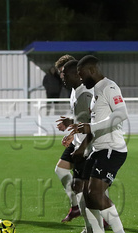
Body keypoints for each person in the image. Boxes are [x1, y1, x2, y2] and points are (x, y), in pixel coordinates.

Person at [71, 55, 131, 233]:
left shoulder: (109, 87)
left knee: (96, 193)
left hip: (112, 150)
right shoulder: (96, 91)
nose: (80, 79)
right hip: (98, 150)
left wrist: (91, 126)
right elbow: (95, 124)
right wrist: (77, 129)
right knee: (87, 196)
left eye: (81, 75)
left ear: (91, 71)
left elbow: (121, 114)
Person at [57, 60, 97, 233]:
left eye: (64, 74)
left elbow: (93, 125)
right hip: (82, 146)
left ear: (75, 74)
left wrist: (81, 148)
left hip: (89, 149)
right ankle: (90, 229)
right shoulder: (76, 92)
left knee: (88, 191)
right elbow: (83, 120)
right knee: (80, 188)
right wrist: (71, 127)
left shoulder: (86, 94)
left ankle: (95, 231)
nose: (61, 78)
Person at [52, 55, 82, 223]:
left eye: (63, 73)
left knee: (92, 182)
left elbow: (91, 118)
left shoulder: (86, 89)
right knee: (61, 169)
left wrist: (73, 131)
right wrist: (71, 131)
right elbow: (81, 115)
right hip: (79, 138)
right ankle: (76, 206)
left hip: (91, 141)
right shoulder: (73, 89)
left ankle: (102, 217)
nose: (61, 76)